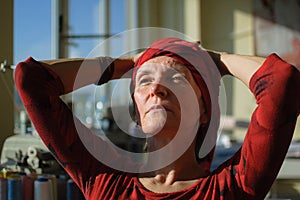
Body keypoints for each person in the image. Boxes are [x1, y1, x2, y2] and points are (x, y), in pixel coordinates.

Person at [14, 37, 299, 199]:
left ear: (204, 112)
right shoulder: (105, 182)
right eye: (144, 81)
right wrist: (127, 63)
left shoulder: (232, 188)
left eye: (177, 78)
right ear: (136, 115)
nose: (156, 88)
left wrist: (216, 59)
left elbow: (282, 82)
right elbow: (31, 80)